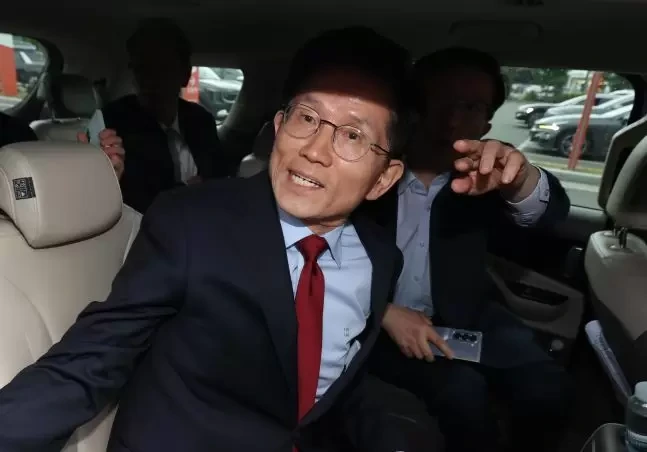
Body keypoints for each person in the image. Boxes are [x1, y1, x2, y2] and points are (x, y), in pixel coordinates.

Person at [0, 27, 442, 452]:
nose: (314, 150)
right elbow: (90, 362)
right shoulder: (190, 225)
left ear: (384, 179)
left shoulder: (379, 256)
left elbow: (332, 377)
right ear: (279, 125)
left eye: (352, 135)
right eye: (307, 118)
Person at [364, 47, 574, 452]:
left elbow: (548, 216)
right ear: (413, 105)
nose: (452, 118)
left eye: (472, 106)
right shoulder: (367, 171)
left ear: (487, 122)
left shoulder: (485, 179)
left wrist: (521, 181)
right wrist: (382, 309)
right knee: (462, 393)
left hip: (466, 318)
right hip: (375, 322)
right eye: (441, 99)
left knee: (548, 387)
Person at [97, 18, 230, 214]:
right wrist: (187, 191)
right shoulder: (113, 123)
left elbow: (221, 178)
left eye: (162, 68)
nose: (150, 79)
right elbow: (132, 199)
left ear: (185, 74)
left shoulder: (201, 120)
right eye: (142, 68)